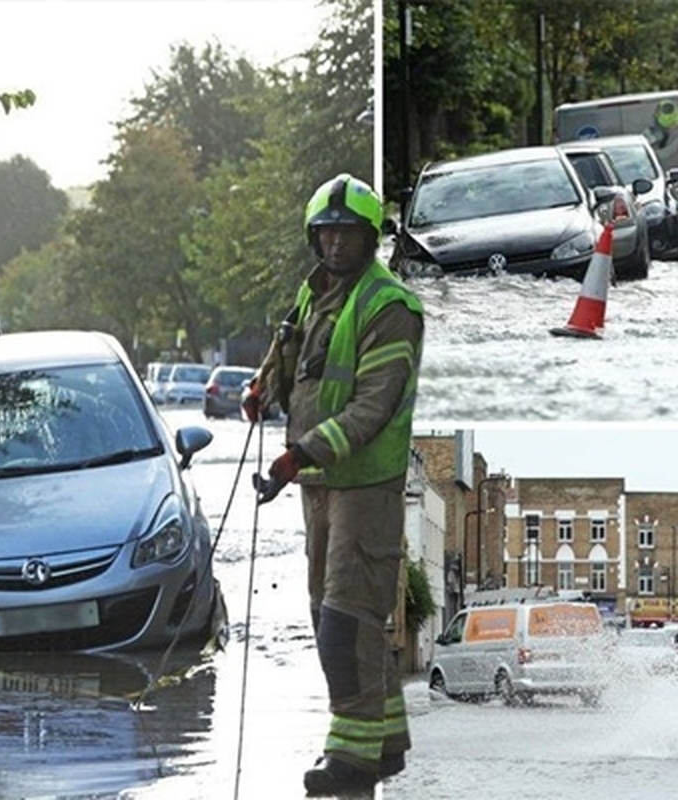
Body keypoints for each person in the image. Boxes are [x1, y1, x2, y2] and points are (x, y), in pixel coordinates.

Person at [242, 173, 425, 795]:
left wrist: (301, 453)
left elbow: (372, 408)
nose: (337, 245)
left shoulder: (389, 306)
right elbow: (293, 362)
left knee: (346, 621)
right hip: (319, 482)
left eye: (348, 233)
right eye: (327, 233)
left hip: (364, 485)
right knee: (334, 613)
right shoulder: (316, 292)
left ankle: (350, 757)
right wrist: (262, 387)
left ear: (370, 237)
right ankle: (387, 740)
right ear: (314, 239)